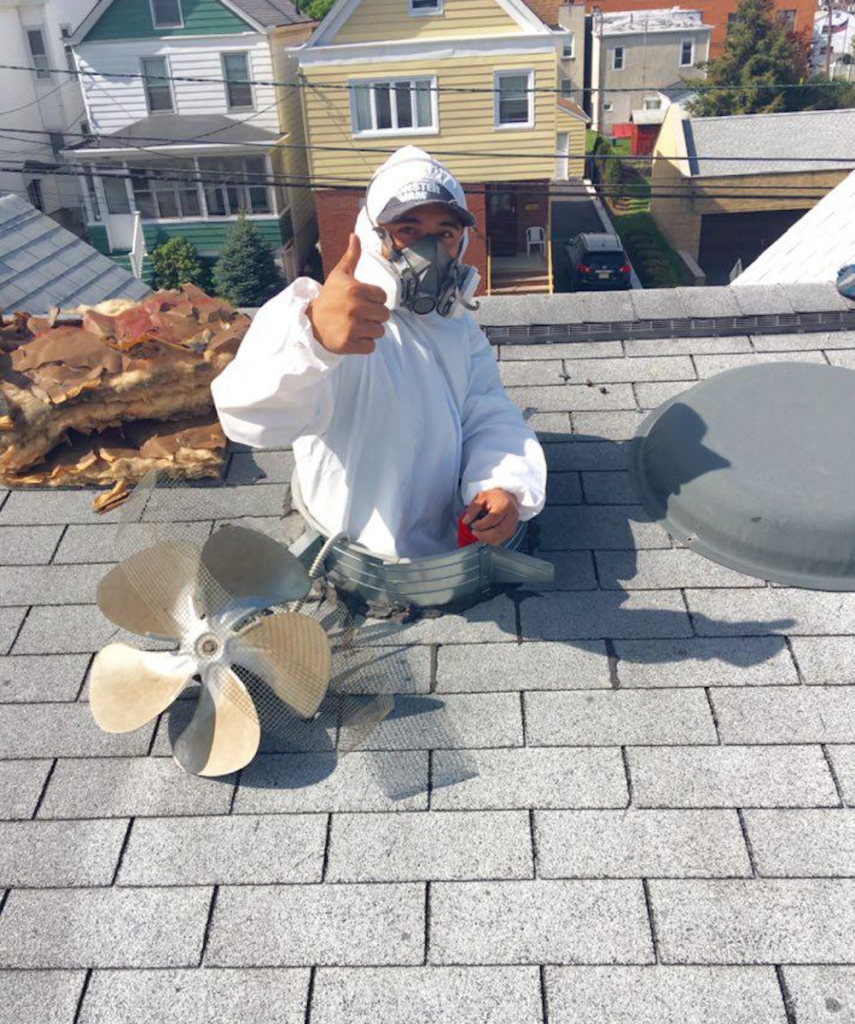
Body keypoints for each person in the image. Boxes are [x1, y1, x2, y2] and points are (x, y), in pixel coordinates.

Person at [212, 146, 547, 559]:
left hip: (444, 556)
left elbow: (486, 411)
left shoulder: (458, 326)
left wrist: (503, 485)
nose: (429, 251)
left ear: (460, 243)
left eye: (444, 233)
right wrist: (313, 338)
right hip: (353, 557)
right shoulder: (326, 322)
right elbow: (245, 415)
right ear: (373, 236)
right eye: (408, 230)